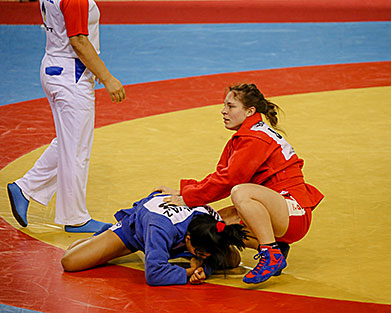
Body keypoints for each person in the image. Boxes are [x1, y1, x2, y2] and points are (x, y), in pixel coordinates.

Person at [159, 83, 324, 284]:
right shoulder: (247, 134)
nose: (223, 111)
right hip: (281, 208)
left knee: (241, 193)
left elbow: (229, 181)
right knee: (217, 225)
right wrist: (184, 191)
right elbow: (220, 175)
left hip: (292, 212)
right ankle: (277, 248)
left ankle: (270, 252)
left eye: (231, 106)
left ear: (250, 111)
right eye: (224, 105)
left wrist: (187, 198)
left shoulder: (255, 138)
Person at [7, 0, 126, 232]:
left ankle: (25, 188)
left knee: (68, 142)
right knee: (77, 149)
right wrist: (107, 77)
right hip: (72, 73)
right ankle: (75, 218)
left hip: (53, 65)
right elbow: (79, 41)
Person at [61, 191, 247, 286]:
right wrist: (190, 271)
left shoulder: (212, 223)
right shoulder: (159, 228)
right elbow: (154, 275)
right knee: (71, 261)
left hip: (172, 227)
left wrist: (205, 268)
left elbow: (233, 258)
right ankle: (106, 232)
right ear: (187, 239)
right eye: (200, 253)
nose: (204, 256)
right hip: (135, 231)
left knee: (232, 260)